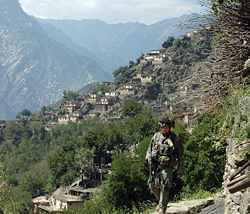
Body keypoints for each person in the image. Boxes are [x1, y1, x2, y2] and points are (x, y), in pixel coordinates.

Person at [146, 117, 184, 214]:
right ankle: (161, 201)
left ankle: (163, 208)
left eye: (166, 127)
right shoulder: (156, 136)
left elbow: (180, 154)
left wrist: (180, 169)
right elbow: (150, 148)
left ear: (170, 127)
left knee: (165, 185)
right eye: (163, 127)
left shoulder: (175, 138)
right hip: (156, 164)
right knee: (152, 185)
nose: (164, 129)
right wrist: (149, 157)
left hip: (168, 165)